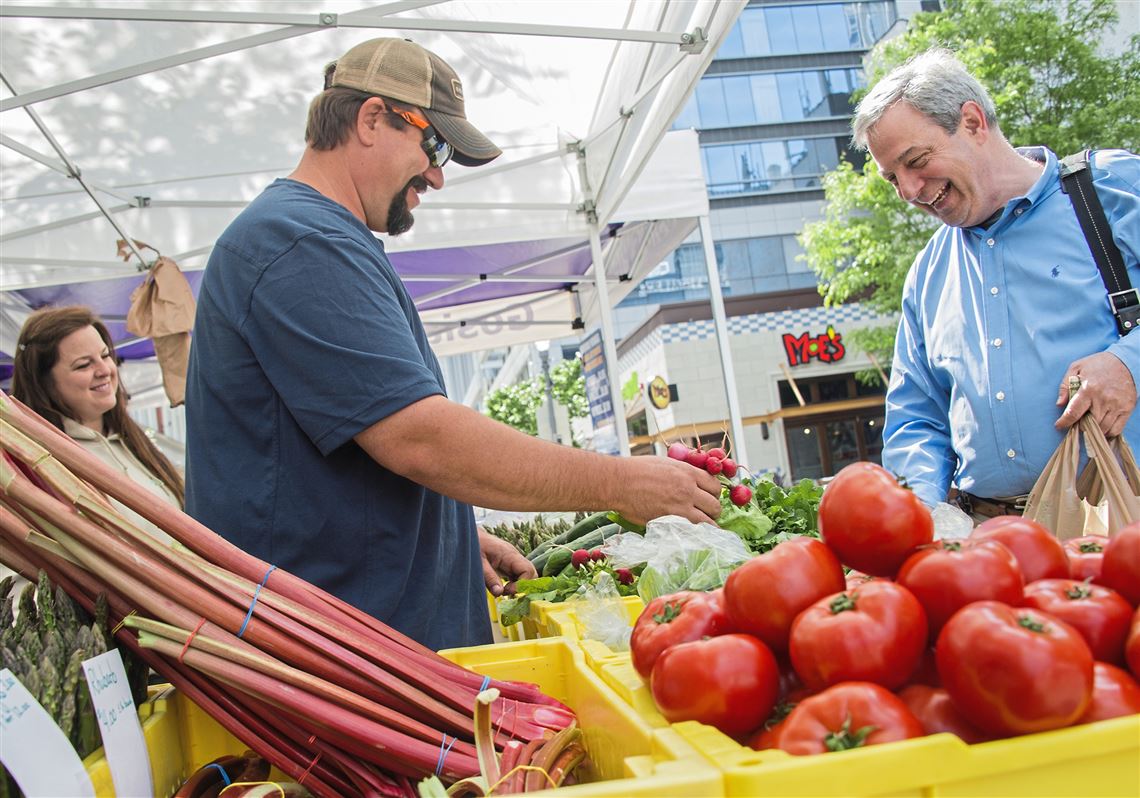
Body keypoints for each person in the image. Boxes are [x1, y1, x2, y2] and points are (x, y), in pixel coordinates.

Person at [184, 37, 723, 651]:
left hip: (369, 652)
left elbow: (347, 452)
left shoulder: (315, 237)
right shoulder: (299, 244)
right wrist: (622, 483)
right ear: (370, 118)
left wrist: (446, 538)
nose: (438, 175)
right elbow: (418, 436)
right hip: (350, 672)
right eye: (434, 144)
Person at [851, 48, 1139, 519]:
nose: (908, 191)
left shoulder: (1110, 191)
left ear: (972, 121)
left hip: (1122, 520)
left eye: (916, 160)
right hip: (992, 541)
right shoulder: (927, 273)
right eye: (892, 179)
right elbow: (916, 418)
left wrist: (1129, 363)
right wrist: (918, 512)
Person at [10, 306, 184, 538]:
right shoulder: (34, 468)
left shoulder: (136, 445)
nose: (104, 370)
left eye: (104, 356)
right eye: (83, 365)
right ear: (43, 383)